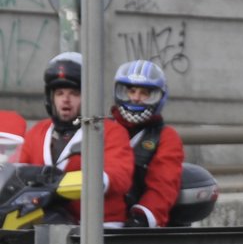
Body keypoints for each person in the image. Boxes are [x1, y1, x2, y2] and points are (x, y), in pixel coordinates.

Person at [15, 51, 136, 225]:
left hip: (100, 229)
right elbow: (19, 172)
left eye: (74, 93)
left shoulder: (109, 131)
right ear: (50, 98)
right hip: (45, 224)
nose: (65, 100)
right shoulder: (37, 132)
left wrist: (76, 182)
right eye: (59, 93)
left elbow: (120, 176)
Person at [108, 59, 184, 227]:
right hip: (93, 219)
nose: (136, 98)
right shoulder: (102, 128)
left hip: (133, 224)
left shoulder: (166, 137)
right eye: (131, 91)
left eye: (144, 93)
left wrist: (142, 217)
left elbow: (163, 185)